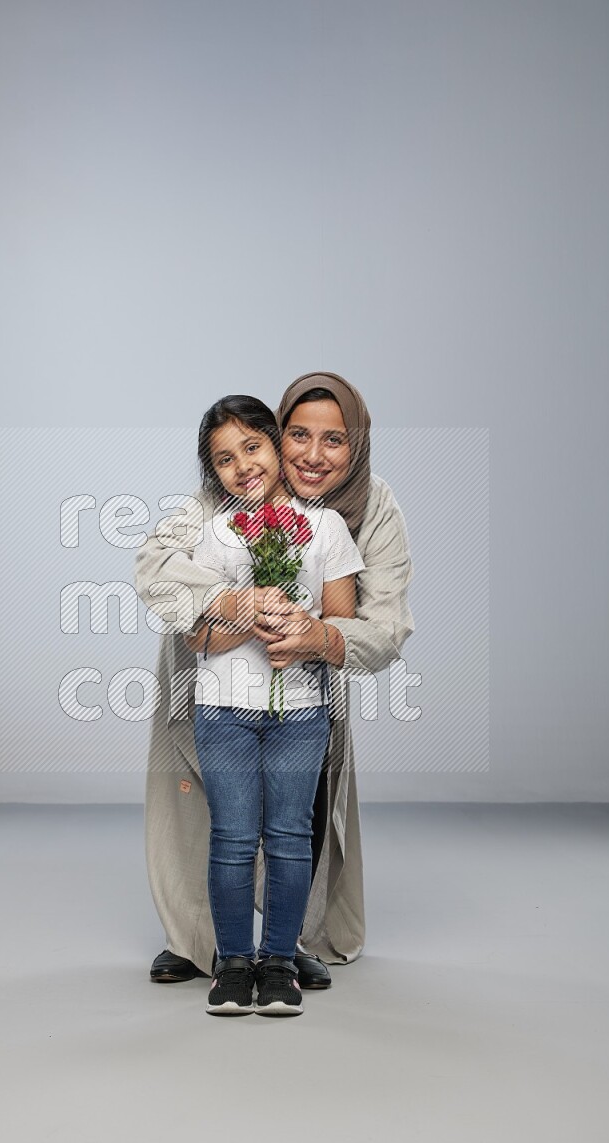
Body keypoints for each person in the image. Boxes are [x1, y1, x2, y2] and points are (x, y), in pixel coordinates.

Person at [134, 371, 414, 987]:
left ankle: (292, 941)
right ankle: (197, 939)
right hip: (210, 669)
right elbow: (157, 565)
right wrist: (238, 603)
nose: (313, 456)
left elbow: (386, 623)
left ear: (357, 445)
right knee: (203, 808)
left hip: (306, 675)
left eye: (334, 440)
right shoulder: (230, 493)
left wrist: (319, 636)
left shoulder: (371, 508)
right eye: (298, 436)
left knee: (300, 812)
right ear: (276, 435)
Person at [183, 396, 365, 1016]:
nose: (242, 467)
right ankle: (234, 963)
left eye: (252, 447)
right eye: (224, 461)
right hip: (224, 708)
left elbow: (340, 624)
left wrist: (300, 621)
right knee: (233, 837)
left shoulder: (327, 529)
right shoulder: (214, 534)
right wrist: (246, 609)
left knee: (289, 836)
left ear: (277, 447)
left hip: (301, 709)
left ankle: (280, 963)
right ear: (216, 474)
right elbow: (198, 636)